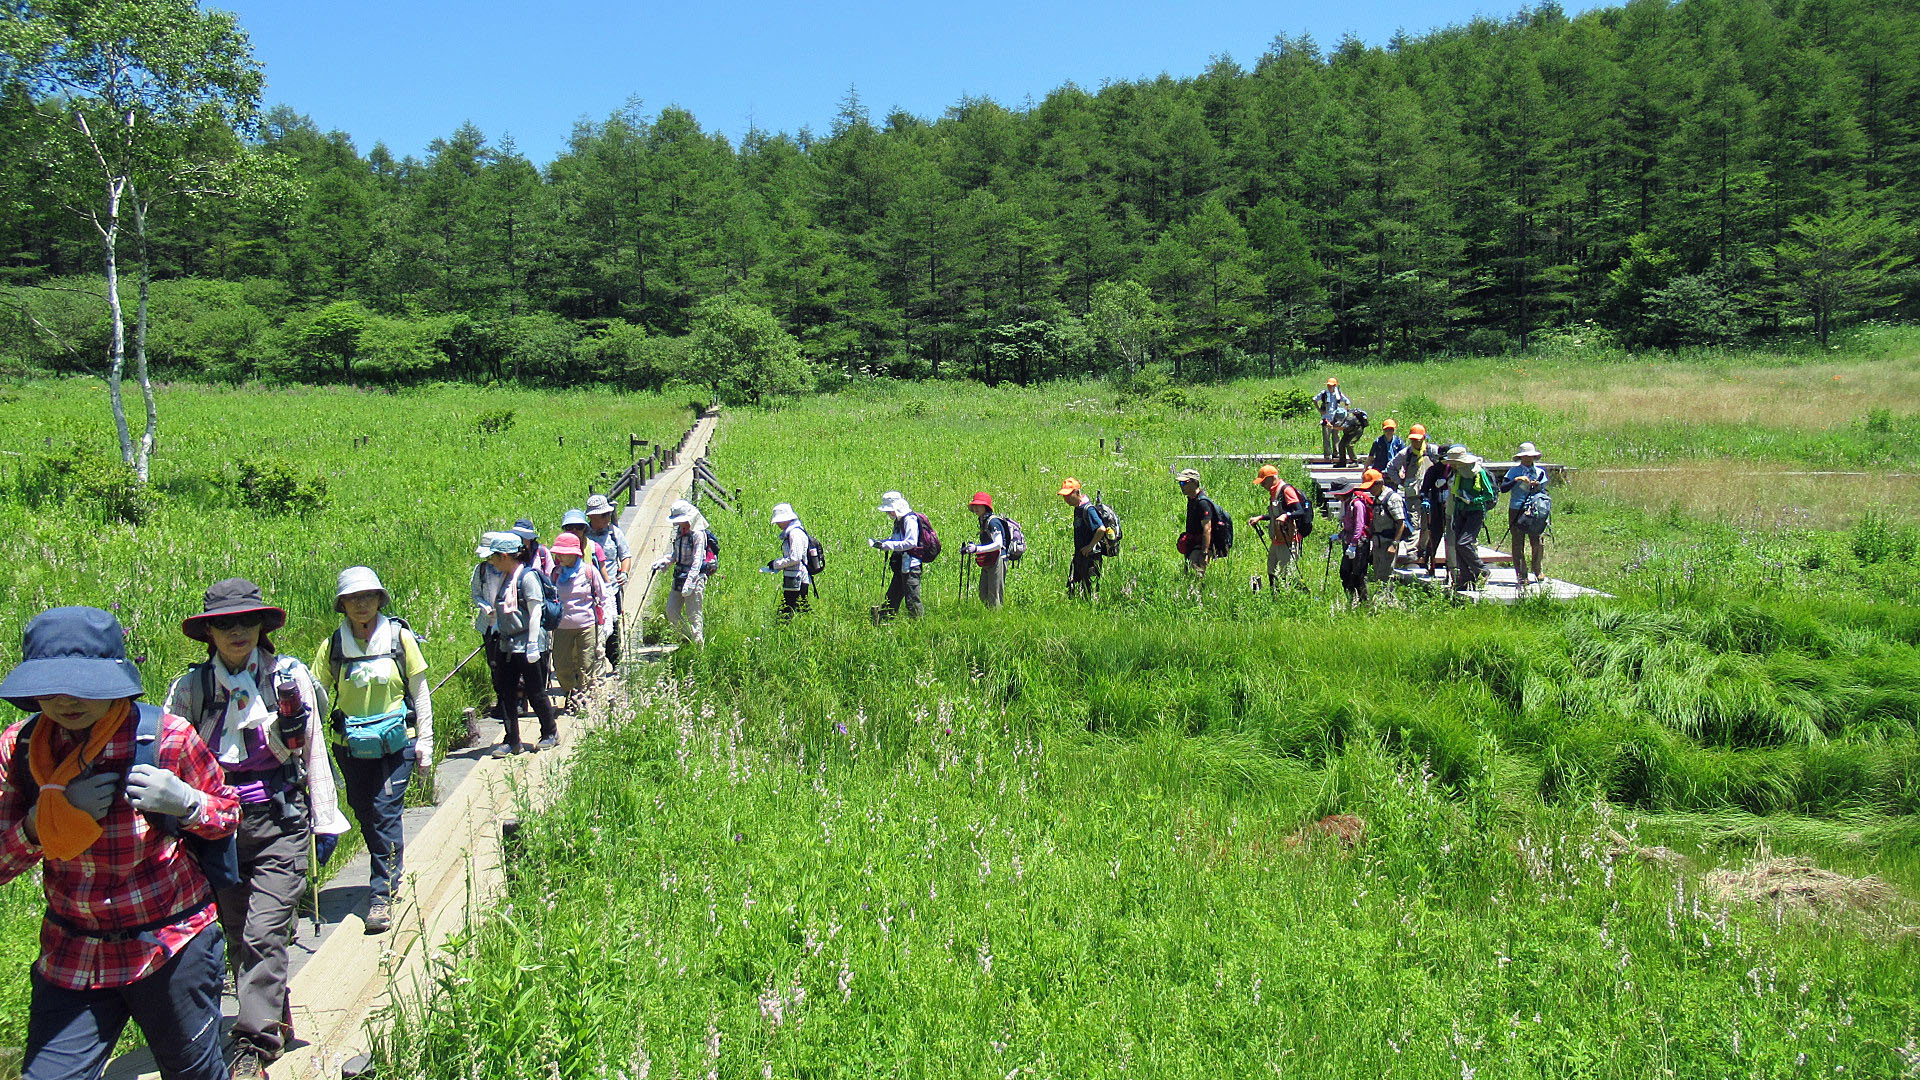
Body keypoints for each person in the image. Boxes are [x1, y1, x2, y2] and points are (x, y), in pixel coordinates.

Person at [0, 606, 239, 1080]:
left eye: (83, 685)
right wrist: (42, 822)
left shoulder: (164, 738)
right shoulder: (21, 749)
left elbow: (227, 814)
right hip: (73, 951)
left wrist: (187, 803)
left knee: (195, 1073)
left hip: (170, 944)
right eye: (51, 687)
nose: (66, 700)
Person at [167, 580, 348, 1079]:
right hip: (216, 827)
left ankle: (253, 1043)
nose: (237, 631)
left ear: (261, 626)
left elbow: (313, 748)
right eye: (225, 624)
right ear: (209, 633)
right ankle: (272, 1014)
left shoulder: (288, 677)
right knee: (237, 931)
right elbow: (170, 758)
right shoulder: (191, 690)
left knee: (264, 931)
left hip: (281, 819)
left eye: (247, 621)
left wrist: (325, 818)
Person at [314, 566, 433, 933]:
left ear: (380, 600)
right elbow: (317, 694)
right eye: (353, 598)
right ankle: (389, 866)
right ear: (342, 604)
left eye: (368, 596)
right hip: (349, 745)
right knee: (364, 811)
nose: (361, 604)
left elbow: (419, 690)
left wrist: (425, 741)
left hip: (397, 743)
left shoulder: (399, 638)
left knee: (384, 812)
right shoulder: (333, 646)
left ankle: (381, 893)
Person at [547, 533, 609, 715]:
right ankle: (570, 692)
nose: (559, 556)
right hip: (561, 627)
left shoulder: (589, 572)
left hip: (587, 625)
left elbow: (603, 597)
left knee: (586, 664)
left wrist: (605, 623)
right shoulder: (556, 574)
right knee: (561, 665)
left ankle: (581, 700)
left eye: (563, 553)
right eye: (558, 553)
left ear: (575, 554)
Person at [651, 499, 711, 643]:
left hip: (695, 579)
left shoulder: (698, 534)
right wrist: (665, 561)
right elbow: (677, 554)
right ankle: (687, 639)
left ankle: (698, 647)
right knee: (671, 611)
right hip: (679, 576)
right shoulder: (680, 531)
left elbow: (697, 561)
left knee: (694, 614)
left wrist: (690, 582)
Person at [584, 494, 633, 664]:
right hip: (588, 590)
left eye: (608, 514)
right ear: (592, 517)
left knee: (612, 625)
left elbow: (625, 556)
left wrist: (624, 573)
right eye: (603, 515)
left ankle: (614, 662)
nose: (607, 518)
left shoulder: (614, 533)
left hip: (611, 589)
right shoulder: (583, 535)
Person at [1445, 444, 1496, 592]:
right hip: (1460, 510)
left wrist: (1473, 500)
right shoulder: (1458, 473)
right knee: (1457, 545)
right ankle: (1465, 579)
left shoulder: (1479, 473)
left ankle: (1482, 570)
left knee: (1464, 543)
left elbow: (1489, 494)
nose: (1452, 465)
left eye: (1454, 462)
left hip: (1475, 511)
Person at [1250, 464, 1307, 589]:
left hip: (1288, 540)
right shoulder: (1273, 492)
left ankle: (1290, 595)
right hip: (1277, 539)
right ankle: (1274, 595)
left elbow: (1300, 511)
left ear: (1272, 478)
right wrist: (1260, 517)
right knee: (1271, 569)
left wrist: (1286, 515)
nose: (1262, 485)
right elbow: (1276, 515)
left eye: (1263, 482)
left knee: (1286, 573)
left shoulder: (1286, 490)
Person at [870, 491, 924, 620]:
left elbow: (911, 542)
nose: (888, 513)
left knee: (912, 600)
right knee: (891, 597)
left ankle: (918, 625)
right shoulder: (899, 520)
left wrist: (889, 545)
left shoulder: (910, 519)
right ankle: (884, 623)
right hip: (901, 565)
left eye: (889, 510)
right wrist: (883, 543)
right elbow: (896, 539)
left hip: (911, 567)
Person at [1502, 442, 1549, 585]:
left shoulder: (1540, 472)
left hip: (1535, 508)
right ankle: (1522, 574)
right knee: (1518, 541)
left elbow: (1544, 490)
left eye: (1530, 456)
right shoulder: (1513, 472)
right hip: (1517, 508)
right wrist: (1516, 480)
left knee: (1537, 540)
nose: (1528, 459)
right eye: (1525, 456)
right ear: (1521, 458)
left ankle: (1537, 569)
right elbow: (1503, 488)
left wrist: (1537, 485)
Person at [764, 503, 813, 621]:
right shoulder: (793, 532)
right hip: (795, 577)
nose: (777, 524)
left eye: (779, 521)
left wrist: (776, 564)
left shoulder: (795, 534)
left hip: (797, 578)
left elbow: (795, 558)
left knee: (787, 613)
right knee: (799, 610)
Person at [959, 493, 1009, 609]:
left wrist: (977, 549)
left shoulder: (993, 522)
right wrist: (971, 549)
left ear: (986, 507)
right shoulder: (983, 520)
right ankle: (990, 613)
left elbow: (998, 544)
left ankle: (996, 616)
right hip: (989, 559)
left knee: (994, 595)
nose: (975, 508)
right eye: (974, 505)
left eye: (979, 505)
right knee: (983, 593)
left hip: (998, 559)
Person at [1060, 478, 1105, 599]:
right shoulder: (1078, 508)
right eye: (1064, 496)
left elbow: (1101, 529)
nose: (1066, 499)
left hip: (1091, 557)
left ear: (1077, 492)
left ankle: (1091, 608)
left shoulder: (1088, 509)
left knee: (1090, 591)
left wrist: (1090, 546)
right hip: (1080, 556)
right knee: (1073, 589)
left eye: (1068, 495)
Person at [1365, 468, 1409, 588]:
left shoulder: (1393, 499)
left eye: (1371, 487)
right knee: (1378, 575)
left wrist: (1394, 544)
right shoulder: (1377, 499)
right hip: (1377, 543)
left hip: (1388, 543)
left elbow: (1401, 523)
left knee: (1385, 577)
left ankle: (1386, 598)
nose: (1369, 490)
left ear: (1380, 483)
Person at [1337, 478, 1376, 606]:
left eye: (1337, 494)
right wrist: (1339, 535)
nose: (1336, 496)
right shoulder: (1346, 503)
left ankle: (1364, 603)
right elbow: (1348, 525)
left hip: (1359, 544)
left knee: (1358, 574)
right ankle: (1351, 600)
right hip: (1349, 543)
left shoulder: (1357, 504)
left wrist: (1353, 544)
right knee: (1345, 572)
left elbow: (1359, 526)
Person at [1417, 443, 1454, 575]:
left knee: (1452, 537)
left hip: (1452, 508)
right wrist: (1425, 500)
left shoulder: (1455, 470)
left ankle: (1452, 567)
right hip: (1437, 507)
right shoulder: (1433, 470)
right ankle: (1429, 562)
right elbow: (1424, 490)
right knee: (1435, 536)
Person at [1176, 468, 1215, 577]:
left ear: (1193, 482)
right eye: (1180, 483)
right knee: (1188, 575)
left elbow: (1207, 529)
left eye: (1184, 483)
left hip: (1200, 549)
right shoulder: (1192, 500)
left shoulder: (1203, 503)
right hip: (1192, 546)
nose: (1181, 486)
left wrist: (1204, 553)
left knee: (1196, 577)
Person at [558, 509, 610, 578]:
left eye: (579, 527)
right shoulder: (560, 550)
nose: (574, 530)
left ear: (585, 528)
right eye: (569, 527)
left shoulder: (594, 547)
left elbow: (603, 572)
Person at [1313, 378, 1350, 459]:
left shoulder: (1338, 394)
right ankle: (1327, 455)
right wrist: (1319, 410)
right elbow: (1314, 399)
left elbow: (1347, 401)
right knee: (1326, 437)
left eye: (1331, 385)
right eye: (1328, 385)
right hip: (1326, 418)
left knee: (1336, 437)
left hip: (1336, 419)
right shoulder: (1324, 393)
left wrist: (1343, 412)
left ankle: (1336, 453)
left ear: (1335, 386)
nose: (1329, 387)